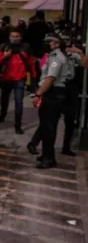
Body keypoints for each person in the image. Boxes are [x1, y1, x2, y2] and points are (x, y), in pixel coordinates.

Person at [29, 34, 73, 169]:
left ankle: (49, 158)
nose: (46, 44)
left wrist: (38, 94)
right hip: (51, 93)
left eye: (49, 42)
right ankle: (46, 155)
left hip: (53, 94)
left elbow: (50, 79)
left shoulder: (56, 58)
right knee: (46, 126)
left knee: (48, 128)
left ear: (56, 44)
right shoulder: (51, 56)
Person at [0, 28, 36, 134]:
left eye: (17, 36)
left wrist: (33, 79)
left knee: (19, 102)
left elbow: (31, 63)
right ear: (9, 37)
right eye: (12, 36)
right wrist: (5, 56)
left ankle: (18, 125)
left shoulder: (26, 47)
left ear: (21, 37)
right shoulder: (4, 46)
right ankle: (2, 114)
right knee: (4, 99)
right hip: (6, 78)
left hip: (20, 79)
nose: (14, 39)